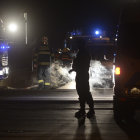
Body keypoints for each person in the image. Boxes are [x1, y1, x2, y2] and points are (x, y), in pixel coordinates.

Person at [69, 39, 95, 118]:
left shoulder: (82, 53)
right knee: (82, 92)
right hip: (81, 75)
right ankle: (83, 109)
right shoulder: (83, 52)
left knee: (85, 92)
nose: (77, 46)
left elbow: (80, 64)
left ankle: (90, 110)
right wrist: (73, 68)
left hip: (82, 75)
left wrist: (73, 68)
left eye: (78, 44)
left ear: (81, 45)